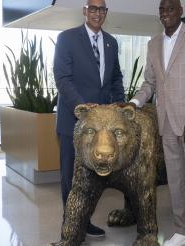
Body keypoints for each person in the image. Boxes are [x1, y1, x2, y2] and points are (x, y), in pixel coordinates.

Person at [129, 0, 185, 245]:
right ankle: (182, 230)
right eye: (161, 10)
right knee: (175, 181)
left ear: (180, 11)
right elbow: (150, 83)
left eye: (170, 9)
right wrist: (134, 103)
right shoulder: (153, 44)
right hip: (166, 123)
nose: (165, 13)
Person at [52, 0, 125, 239]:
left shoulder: (111, 42)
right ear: (84, 11)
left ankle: (84, 220)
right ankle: (70, 224)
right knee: (70, 176)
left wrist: (120, 106)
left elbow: (115, 78)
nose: (97, 13)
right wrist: (82, 107)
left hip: (101, 128)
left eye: (101, 9)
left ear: (106, 13)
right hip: (73, 122)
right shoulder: (67, 38)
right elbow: (62, 78)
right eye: (92, 8)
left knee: (92, 177)